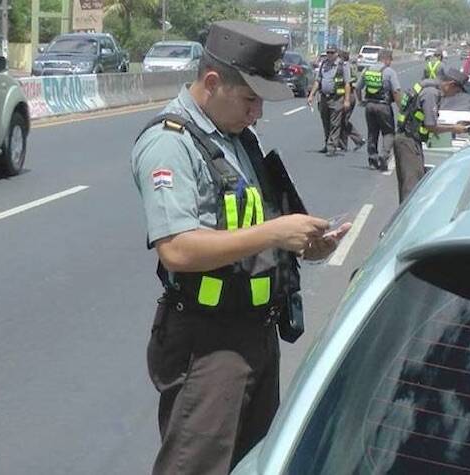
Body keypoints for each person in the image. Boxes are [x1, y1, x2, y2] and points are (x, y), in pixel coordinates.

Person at [131, 21, 350, 474]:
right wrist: (275, 234)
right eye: (250, 99)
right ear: (212, 83)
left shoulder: (237, 140)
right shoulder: (170, 144)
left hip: (256, 333)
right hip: (208, 345)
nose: (257, 114)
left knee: (254, 463)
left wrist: (308, 245)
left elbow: (254, 226)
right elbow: (177, 248)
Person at [393, 69, 470, 202]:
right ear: (450, 84)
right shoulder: (431, 93)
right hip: (409, 141)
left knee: (409, 185)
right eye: (456, 91)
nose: (454, 95)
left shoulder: (427, 86)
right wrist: (454, 128)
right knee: (411, 188)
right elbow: (430, 125)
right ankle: (406, 221)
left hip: (406, 139)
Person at [355, 49, 402, 171]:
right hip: (383, 106)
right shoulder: (389, 72)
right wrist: (400, 107)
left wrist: (361, 101)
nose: (391, 63)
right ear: (386, 59)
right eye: (390, 60)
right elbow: (396, 91)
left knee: (372, 132)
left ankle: (372, 159)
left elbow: (357, 88)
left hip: (370, 106)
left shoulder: (367, 70)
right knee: (388, 132)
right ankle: (384, 155)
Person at [307, 45, 353, 157]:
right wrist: (311, 95)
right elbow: (318, 81)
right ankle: (327, 144)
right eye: (328, 52)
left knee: (335, 123)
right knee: (325, 122)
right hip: (324, 98)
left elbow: (347, 84)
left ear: (337, 53)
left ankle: (332, 147)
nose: (329, 55)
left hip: (337, 98)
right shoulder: (324, 64)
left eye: (332, 53)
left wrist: (347, 100)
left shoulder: (343, 66)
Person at [337, 49, 365, 153]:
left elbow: (351, 82)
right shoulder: (345, 66)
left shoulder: (346, 67)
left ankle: (356, 140)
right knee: (341, 120)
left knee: (343, 120)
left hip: (349, 95)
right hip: (343, 95)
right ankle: (343, 143)